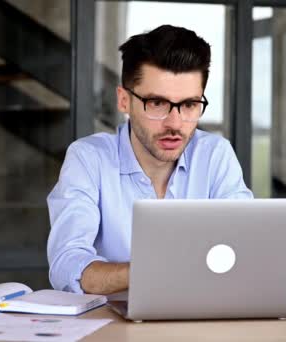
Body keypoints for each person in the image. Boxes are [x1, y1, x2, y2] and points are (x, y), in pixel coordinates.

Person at [47, 25, 253, 295]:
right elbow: (67, 265)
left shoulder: (215, 155)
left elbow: (246, 251)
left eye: (189, 104)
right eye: (157, 103)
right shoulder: (88, 158)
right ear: (124, 101)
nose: (175, 123)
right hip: (113, 327)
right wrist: (157, 270)